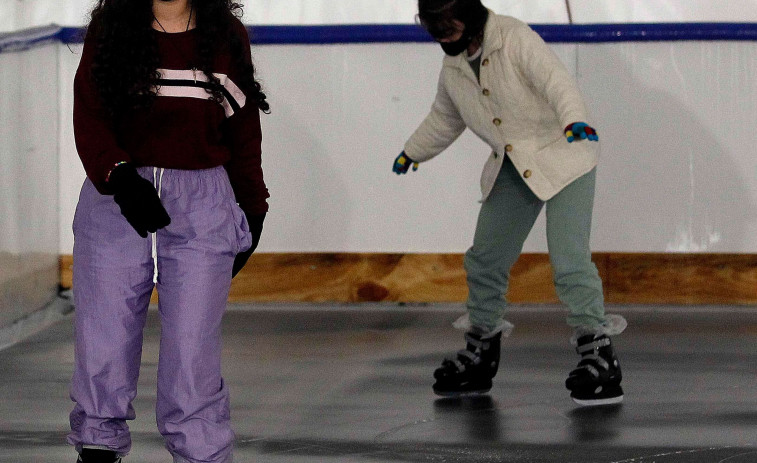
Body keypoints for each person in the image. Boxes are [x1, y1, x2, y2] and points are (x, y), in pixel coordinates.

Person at [393, 0, 626, 406]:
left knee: (569, 259)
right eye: (435, 30)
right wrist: (413, 151)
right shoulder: (454, 66)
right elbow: (445, 117)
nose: (442, 38)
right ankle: (482, 349)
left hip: (566, 154)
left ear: (468, 15)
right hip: (513, 164)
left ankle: (599, 353)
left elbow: (557, 82)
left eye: (448, 27)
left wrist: (573, 120)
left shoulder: (514, 38)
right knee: (484, 258)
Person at [68, 0, 269, 461]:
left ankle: (200, 451)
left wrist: (253, 208)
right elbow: (90, 115)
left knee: (192, 347)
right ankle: (99, 444)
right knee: (104, 334)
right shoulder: (111, 30)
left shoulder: (224, 36)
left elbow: (243, 127)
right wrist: (118, 177)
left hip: (203, 204)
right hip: (117, 198)